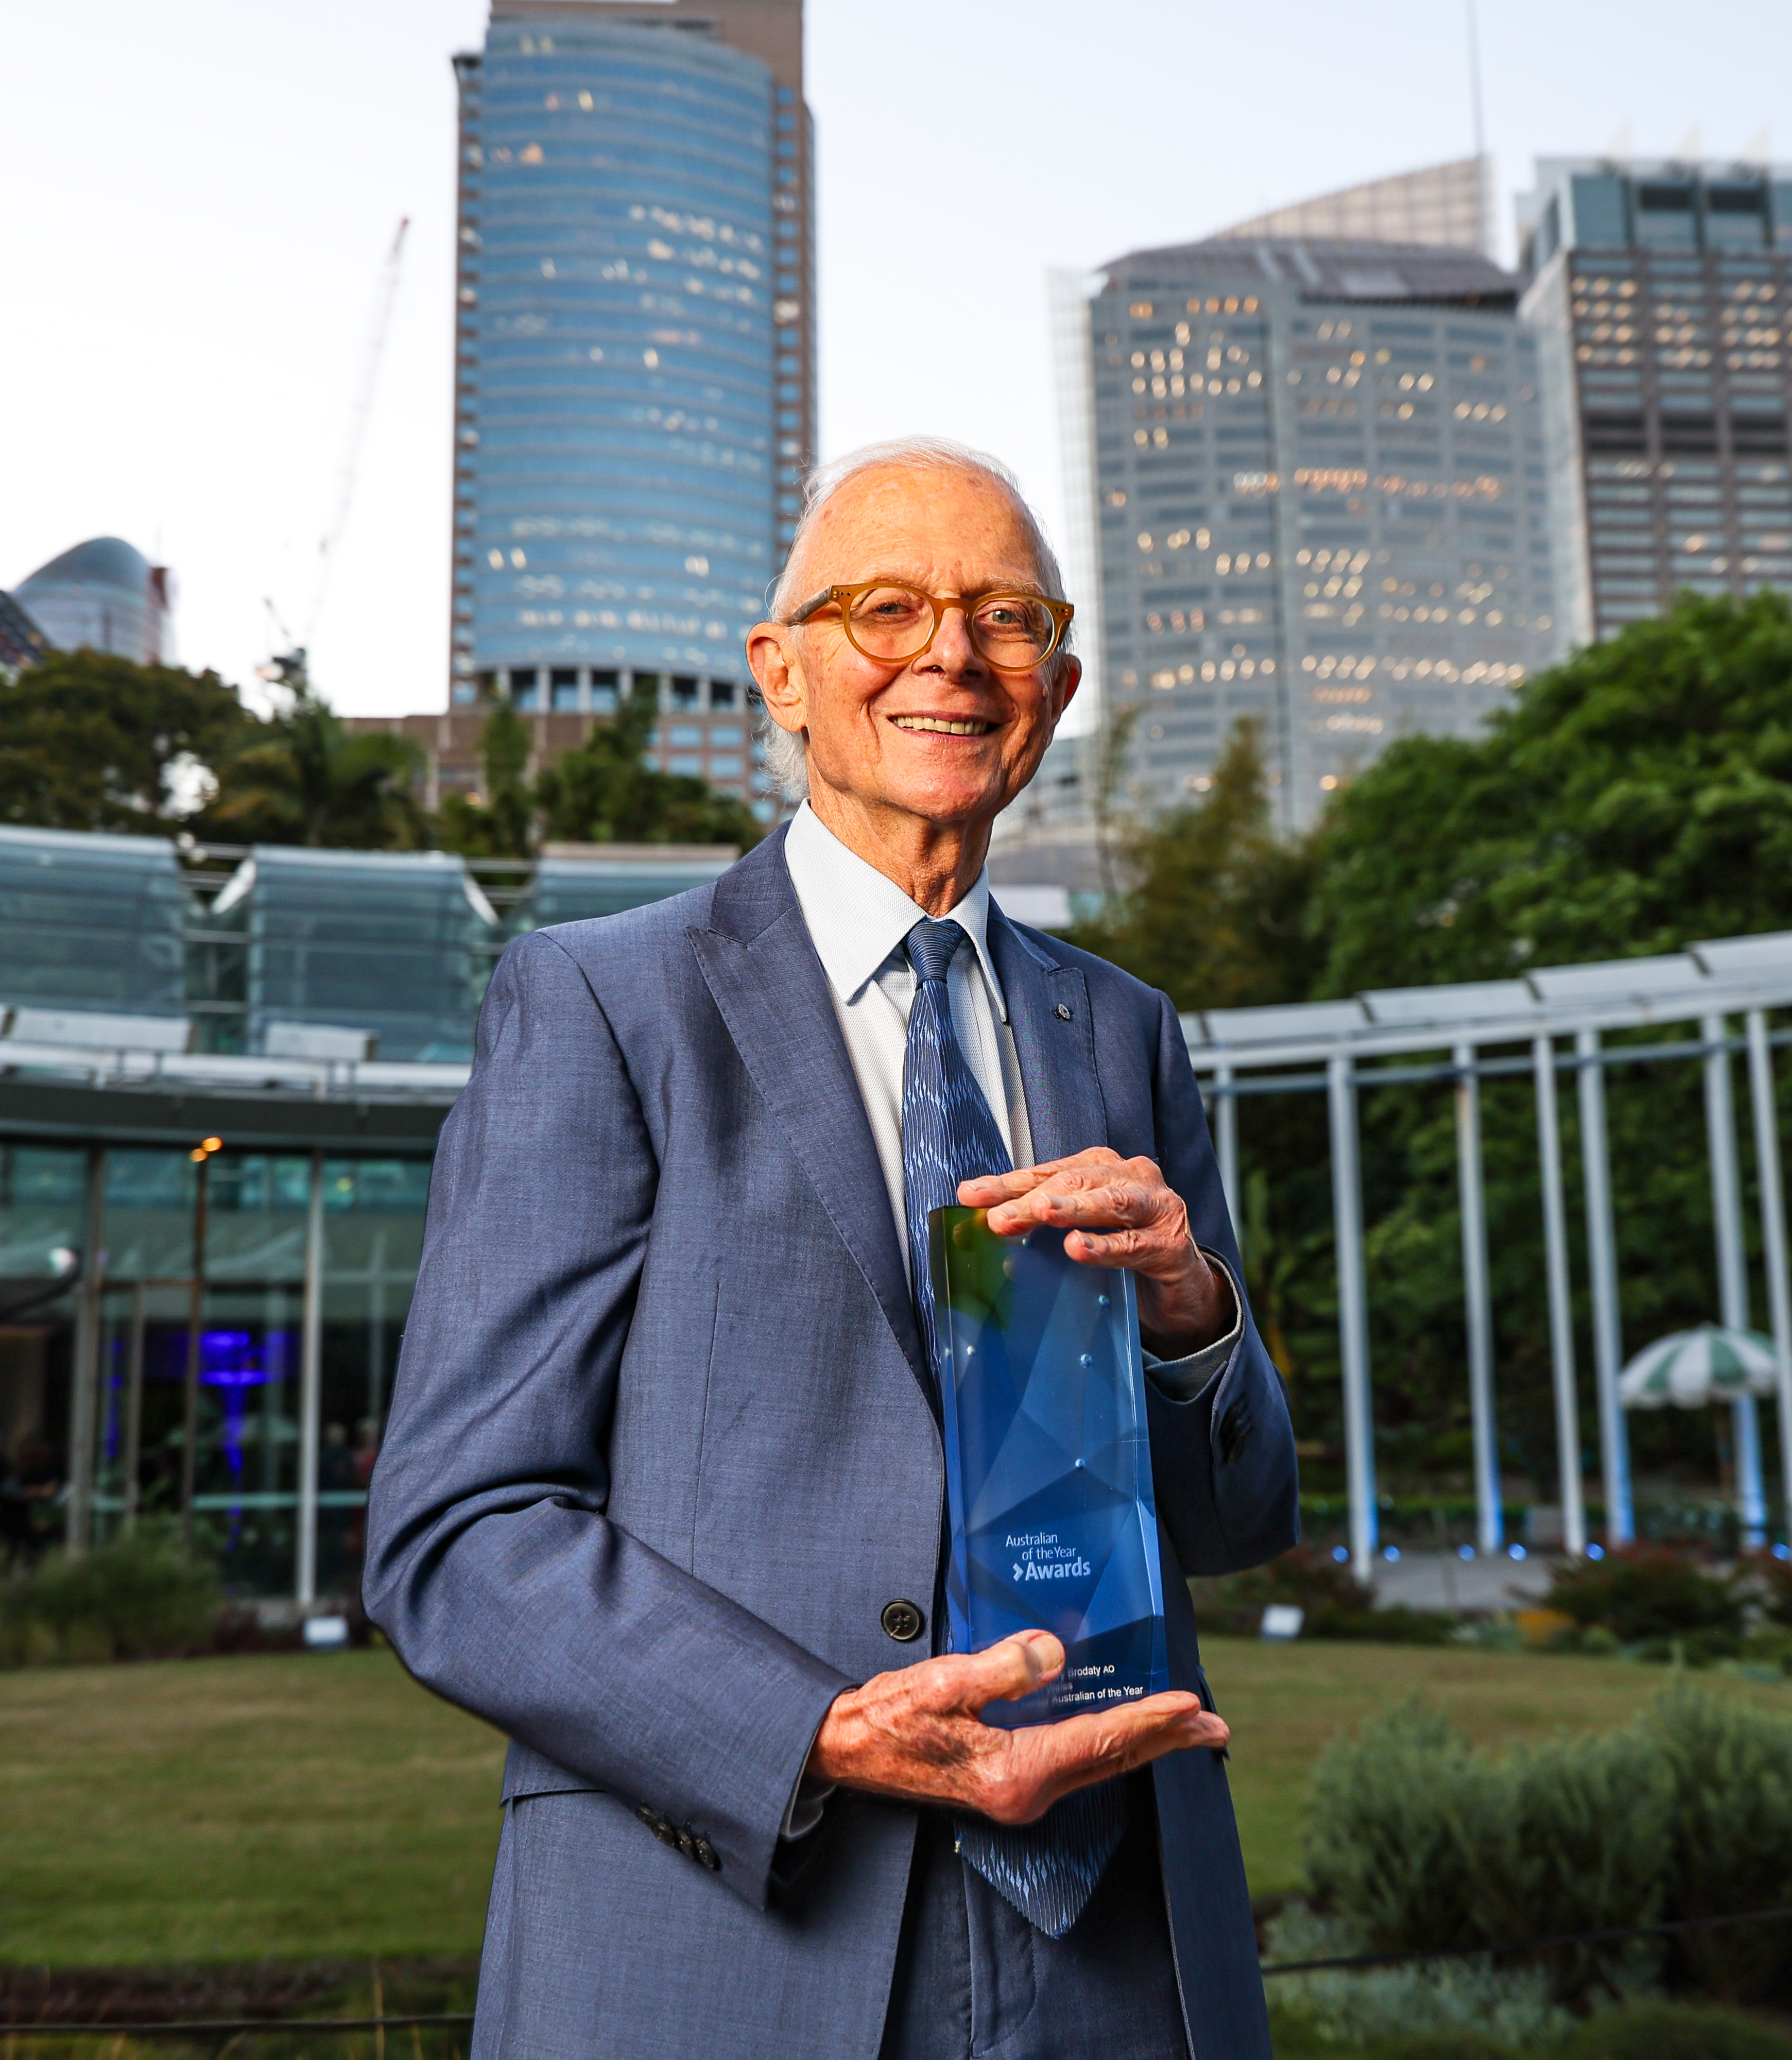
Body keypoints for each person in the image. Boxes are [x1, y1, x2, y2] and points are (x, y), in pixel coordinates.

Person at [366, 438, 1299, 2059]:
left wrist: (1192, 1311)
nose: (952, 652)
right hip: (738, 1916)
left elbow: (1234, 1518)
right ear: (781, 675)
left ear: (1057, 688)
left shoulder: (1129, 1033)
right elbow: (456, 1537)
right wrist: (823, 1729)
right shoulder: (600, 1005)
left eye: (1006, 617)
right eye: (889, 606)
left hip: (1115, 1950)